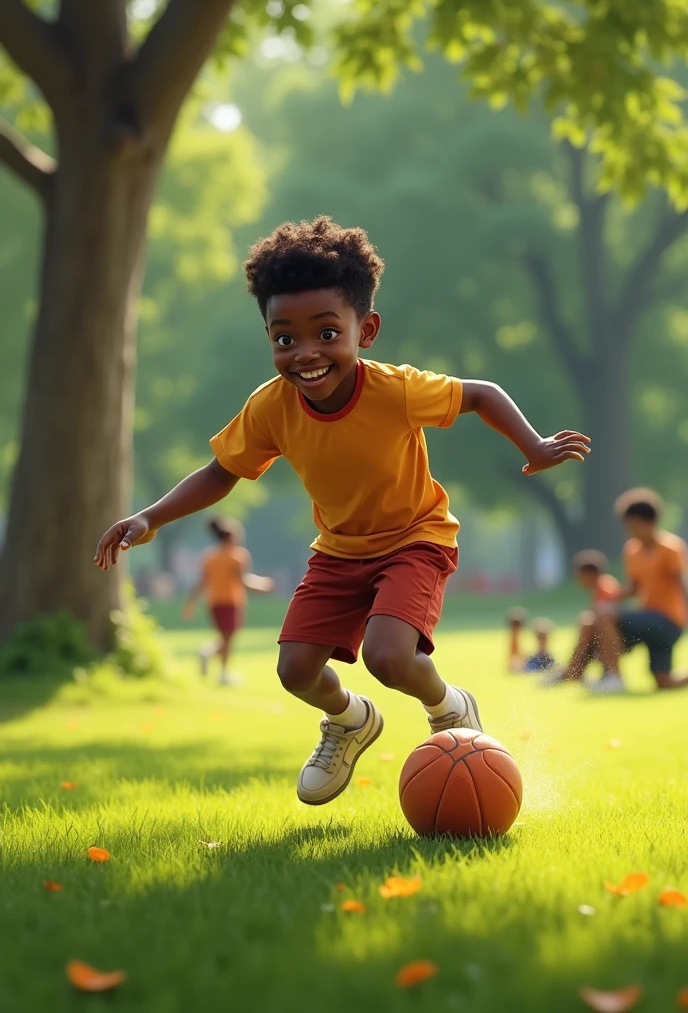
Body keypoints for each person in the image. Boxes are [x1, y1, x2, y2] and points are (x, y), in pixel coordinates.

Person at [94, 216, 590, 805]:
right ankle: (352, 721)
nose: (306, 353)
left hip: (416, 538)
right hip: (338, 551)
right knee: (295, 670)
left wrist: (533, 446)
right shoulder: (271, 408)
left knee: (387, 656)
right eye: (285, 339)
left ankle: (447, 706)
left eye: (327, 334)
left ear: (367, 329)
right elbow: (221, 471)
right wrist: (150, 516)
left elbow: (479, 394)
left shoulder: (396, 390)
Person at [589, 489, 688, 694]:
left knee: (604, 616)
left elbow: (682, 583)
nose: (628, 530)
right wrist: (608, 595)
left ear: (649, 522)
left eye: (633, 525)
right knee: (664, 682)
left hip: (668, 621)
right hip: (648, 621)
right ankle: (586, 673)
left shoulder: (671, 548)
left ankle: (613, 678)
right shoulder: (632, 550)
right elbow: (633, 589)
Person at [182, 517, 273, 686]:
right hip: (231, 601)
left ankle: (215, 662)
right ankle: (216, 664)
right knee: (227, 639)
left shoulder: (210, 557)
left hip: (214, 601)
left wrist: (191, 603)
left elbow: (202, 582)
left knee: (225, 637)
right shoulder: (237, 556)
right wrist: (263, 586)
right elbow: (243, 581)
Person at [541, 550, 621, 687]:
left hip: (615, 634)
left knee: (586, 623)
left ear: (589, 574)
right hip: (605, 633)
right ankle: (573, 671)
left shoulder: (606, 588)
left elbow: (608, 616)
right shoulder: (601, 587)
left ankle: (574, 672)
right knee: (586, 623)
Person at [507, 608, 558, 672]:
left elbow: (514, 665)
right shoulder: (532, 658)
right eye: (540, 636)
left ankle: (515, 630)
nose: (541, 639)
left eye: (543, 636)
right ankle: (515, 631)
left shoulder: (549, 659)